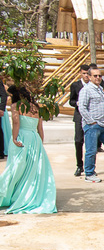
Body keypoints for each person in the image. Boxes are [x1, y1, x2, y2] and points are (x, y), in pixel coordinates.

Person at [0, 83, 56, 214]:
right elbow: (40, 127)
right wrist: (40, 141)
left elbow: (16, 123)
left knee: (16, 168)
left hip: (23, 137)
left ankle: (15, 196)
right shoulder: (36, 107)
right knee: (33, 170)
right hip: (35, 138)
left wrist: (14, 138)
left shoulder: (16, 106)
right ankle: (29, 195)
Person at [68, 64, 90, 176]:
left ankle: (89, 166)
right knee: (78, 141)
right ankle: (79, 165)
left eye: (87, 73)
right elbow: (71, 101)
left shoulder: (93, 85)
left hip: (90, 116)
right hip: (79, 116)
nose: (86, 75)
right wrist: (77, 103)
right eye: (84, 73)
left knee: (91, 142)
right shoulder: (75, 85)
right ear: (80, 73)